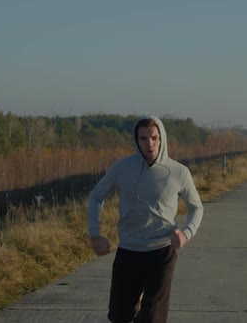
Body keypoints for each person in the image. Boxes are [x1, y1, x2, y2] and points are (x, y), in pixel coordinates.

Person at [87, 116, 204, 323]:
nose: (149, 143)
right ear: (136, 140)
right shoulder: (122, 168)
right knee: (119, 316)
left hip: (161, 252)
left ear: (162, 139)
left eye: (154, 138)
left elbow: (197, 207)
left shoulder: (178, 172)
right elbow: (96, 196)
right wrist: (95, 235)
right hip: (129, 251)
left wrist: (186, 235)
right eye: (143, 138)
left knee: (152, 319)